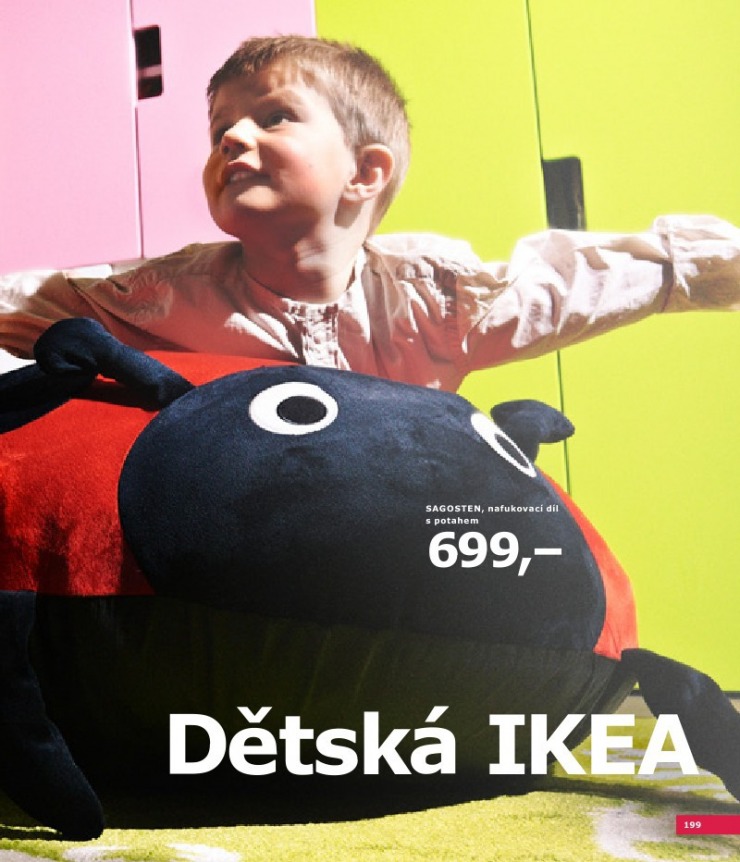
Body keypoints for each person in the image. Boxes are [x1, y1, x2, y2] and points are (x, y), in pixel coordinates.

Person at [0, 35, 738, 391]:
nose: (231, 137)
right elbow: (38, 305)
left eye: (273, 117)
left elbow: (568, 285)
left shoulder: (438, 302)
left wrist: (708, 265)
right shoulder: (168, 294)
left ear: (365, 172)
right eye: (220, 126)